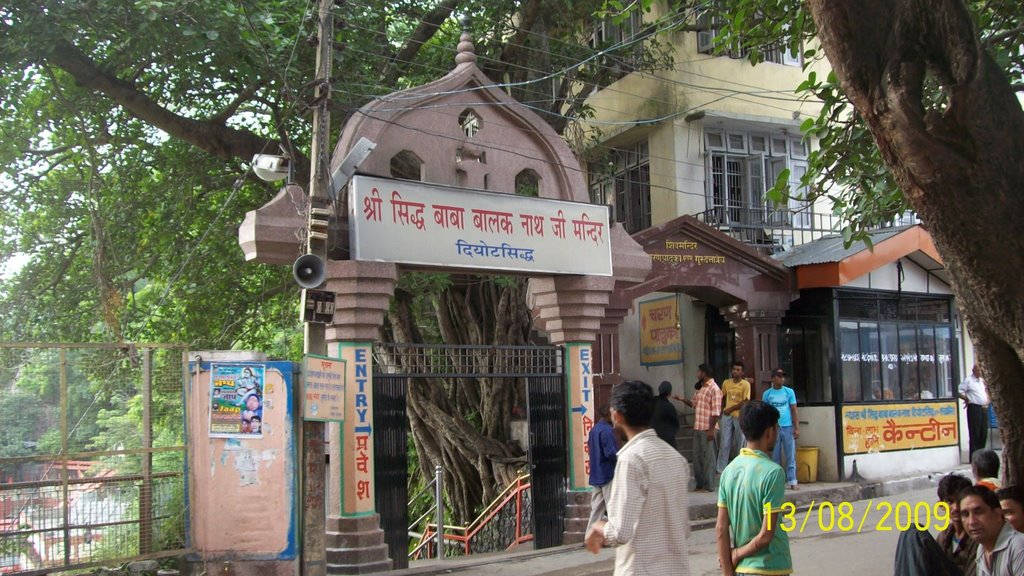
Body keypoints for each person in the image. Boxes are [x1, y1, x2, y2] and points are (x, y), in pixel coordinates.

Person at [585, 381, 691, 576]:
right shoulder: (676, 458)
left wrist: (600, 527)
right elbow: (683, 527)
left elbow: (621, 532)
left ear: (617, 416)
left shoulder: (630, 459)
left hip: (642, 569)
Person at [716, 400, 792, 576]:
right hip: (771, 567)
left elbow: (721, 527)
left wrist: (728, 567)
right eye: (777, 428)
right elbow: (766, 535)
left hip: (742, 569)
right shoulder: (773, 473)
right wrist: (736, 554)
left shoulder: (729, 471)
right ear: (770, 431)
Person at [959, 485, 1024, 576]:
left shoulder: (1019, 546)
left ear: (998, 514)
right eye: (965, 514)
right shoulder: (982, 548)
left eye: (978, 512)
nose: (971, 521)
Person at [677, 363, 722, 492]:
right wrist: (682, 399)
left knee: (709, 457)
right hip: (698, 427)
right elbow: (694, 404)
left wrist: (712, 430)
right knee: (697, 457)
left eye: (698, 372)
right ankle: (700, 483)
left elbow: (716, 412)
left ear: (704, 373)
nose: (697, 374)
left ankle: (710, 485)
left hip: (708, 428)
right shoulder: (700, 389)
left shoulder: (714, 389)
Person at [762, 369, 799, 490]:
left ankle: (792, 480)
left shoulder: (789, 392)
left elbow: (793, 409)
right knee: (775, 457)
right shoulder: (767, 394)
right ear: (773, 378)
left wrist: (796, 427)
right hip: (774, 428)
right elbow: (765, 412)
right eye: (779, 377)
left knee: (790, 455)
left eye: (783, 377)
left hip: (787, 427)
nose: (782, 379)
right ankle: (777, 481)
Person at [936, 473, 979, 576]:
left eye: (959, 501)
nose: (955, 508)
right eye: (950, 502)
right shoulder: (944, 536)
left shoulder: (977, 537)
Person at [586, 404, 618, 533]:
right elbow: (610, 453)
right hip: (607, 473)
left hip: (596, 474)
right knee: (612, 506)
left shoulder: (594, 430)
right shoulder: (607, 431)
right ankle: (615, 534)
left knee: (597, 508)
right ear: (608, 416)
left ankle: (589, 536)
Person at [717, 361, 750, 474]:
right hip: (727, 416)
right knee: (724, 442)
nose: (735, 371)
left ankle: (740, 468)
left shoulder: (745, 384)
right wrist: (721, 409)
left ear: (742, 372)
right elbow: (721, 396)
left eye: (738, 370)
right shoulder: (726, 382)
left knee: (740, 442)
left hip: (739, 416)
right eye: (734, 369)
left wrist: (730, 409)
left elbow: (745, 401)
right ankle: (720, 469)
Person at [959, 365, 990, 458]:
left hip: (984, 408)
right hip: (974, 408)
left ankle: (981, 455)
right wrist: (966, 399)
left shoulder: (981, 381)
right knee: (975, 432)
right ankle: (974, 457)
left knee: (983, 432)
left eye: (981, 370)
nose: (979, 372)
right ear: (973, 370)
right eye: (978, 370)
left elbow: (986, 392)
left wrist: (987, 399)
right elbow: (959, 391)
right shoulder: (968, 380)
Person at [651, 381, 681, 448]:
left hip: (652, 440)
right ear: (669, 393)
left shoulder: (651, 403)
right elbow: (676, 424)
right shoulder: (669, 406)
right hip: (666, 441)